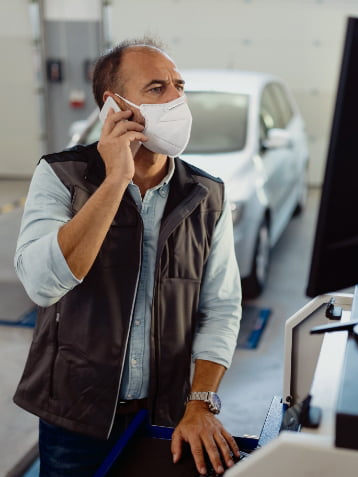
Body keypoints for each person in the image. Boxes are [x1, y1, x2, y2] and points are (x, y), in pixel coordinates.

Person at [13, 38, 242, 477]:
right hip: (75, 419)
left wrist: (200, 402)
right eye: (157, 89)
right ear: (113, 105)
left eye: (179, 85)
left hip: (167, 416)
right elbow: (43, 283)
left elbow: (222, 307)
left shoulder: (206, 195)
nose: (177, 99)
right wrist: (116, 178)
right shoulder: (62, 176)